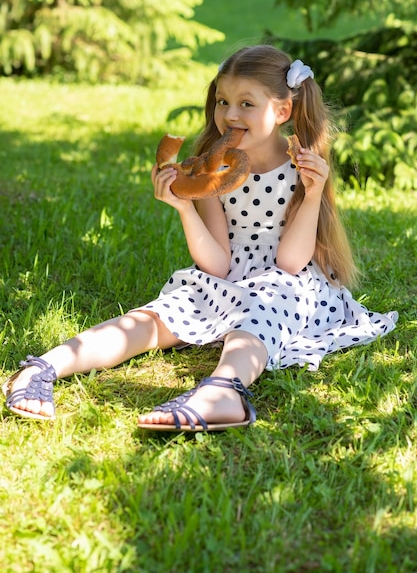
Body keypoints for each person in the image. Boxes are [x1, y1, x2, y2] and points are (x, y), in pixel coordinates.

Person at [2, 45, 397, 431]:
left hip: (291, 285)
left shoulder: (303, 169)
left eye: (246, 104)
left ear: (282, 111)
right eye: (222, 101)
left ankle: (225, 392)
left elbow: (291, 263)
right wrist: (185, 208)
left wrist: (312, 196)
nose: (229, 114)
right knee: (155, 317)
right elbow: (217, 264)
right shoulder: (214, 169)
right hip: (228, 276)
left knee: (260, 310)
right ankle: (44, 366)